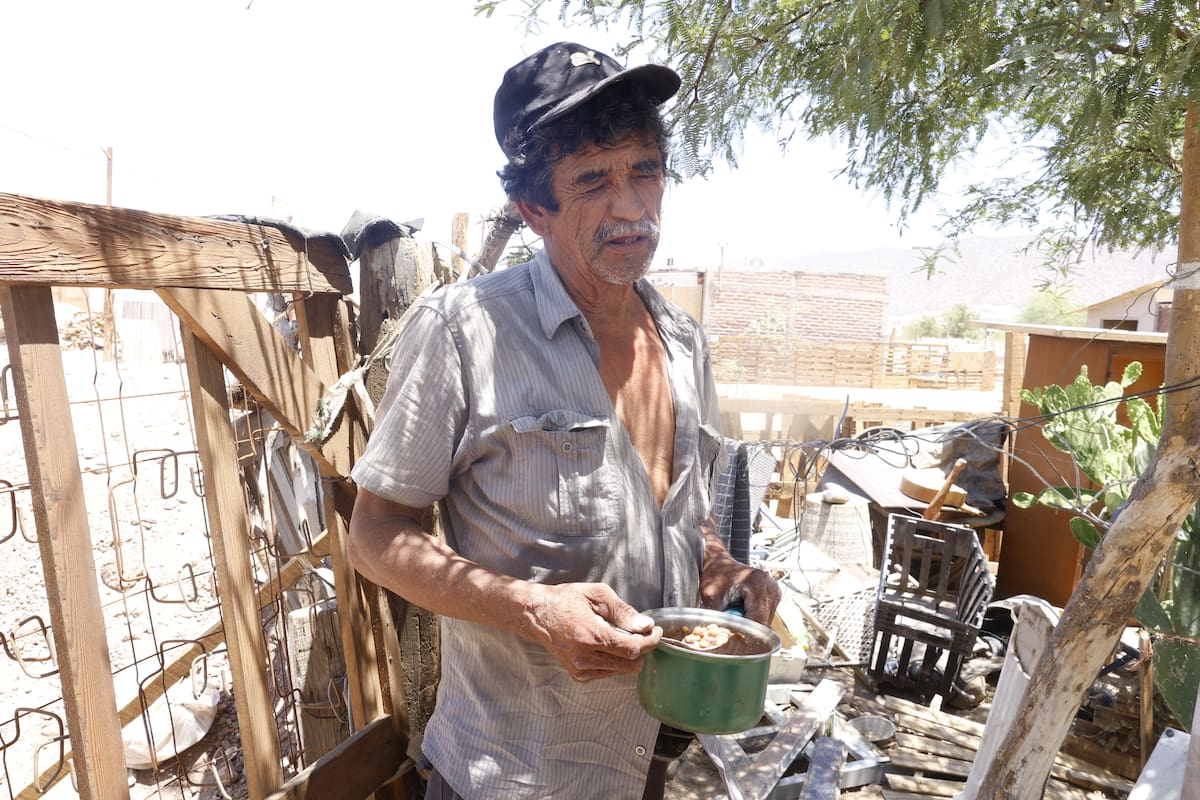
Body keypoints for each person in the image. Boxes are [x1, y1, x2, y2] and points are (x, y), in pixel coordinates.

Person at [348, 41, 781, 800]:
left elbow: (684, 509)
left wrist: (718, 564)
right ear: (534, 209)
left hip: (654, 751)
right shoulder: (463, 331)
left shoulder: (683, 343)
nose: (630, 207)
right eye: (592, 181)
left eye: (644, 170)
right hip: (515, 770)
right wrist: (533, 609)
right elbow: (375, 536)